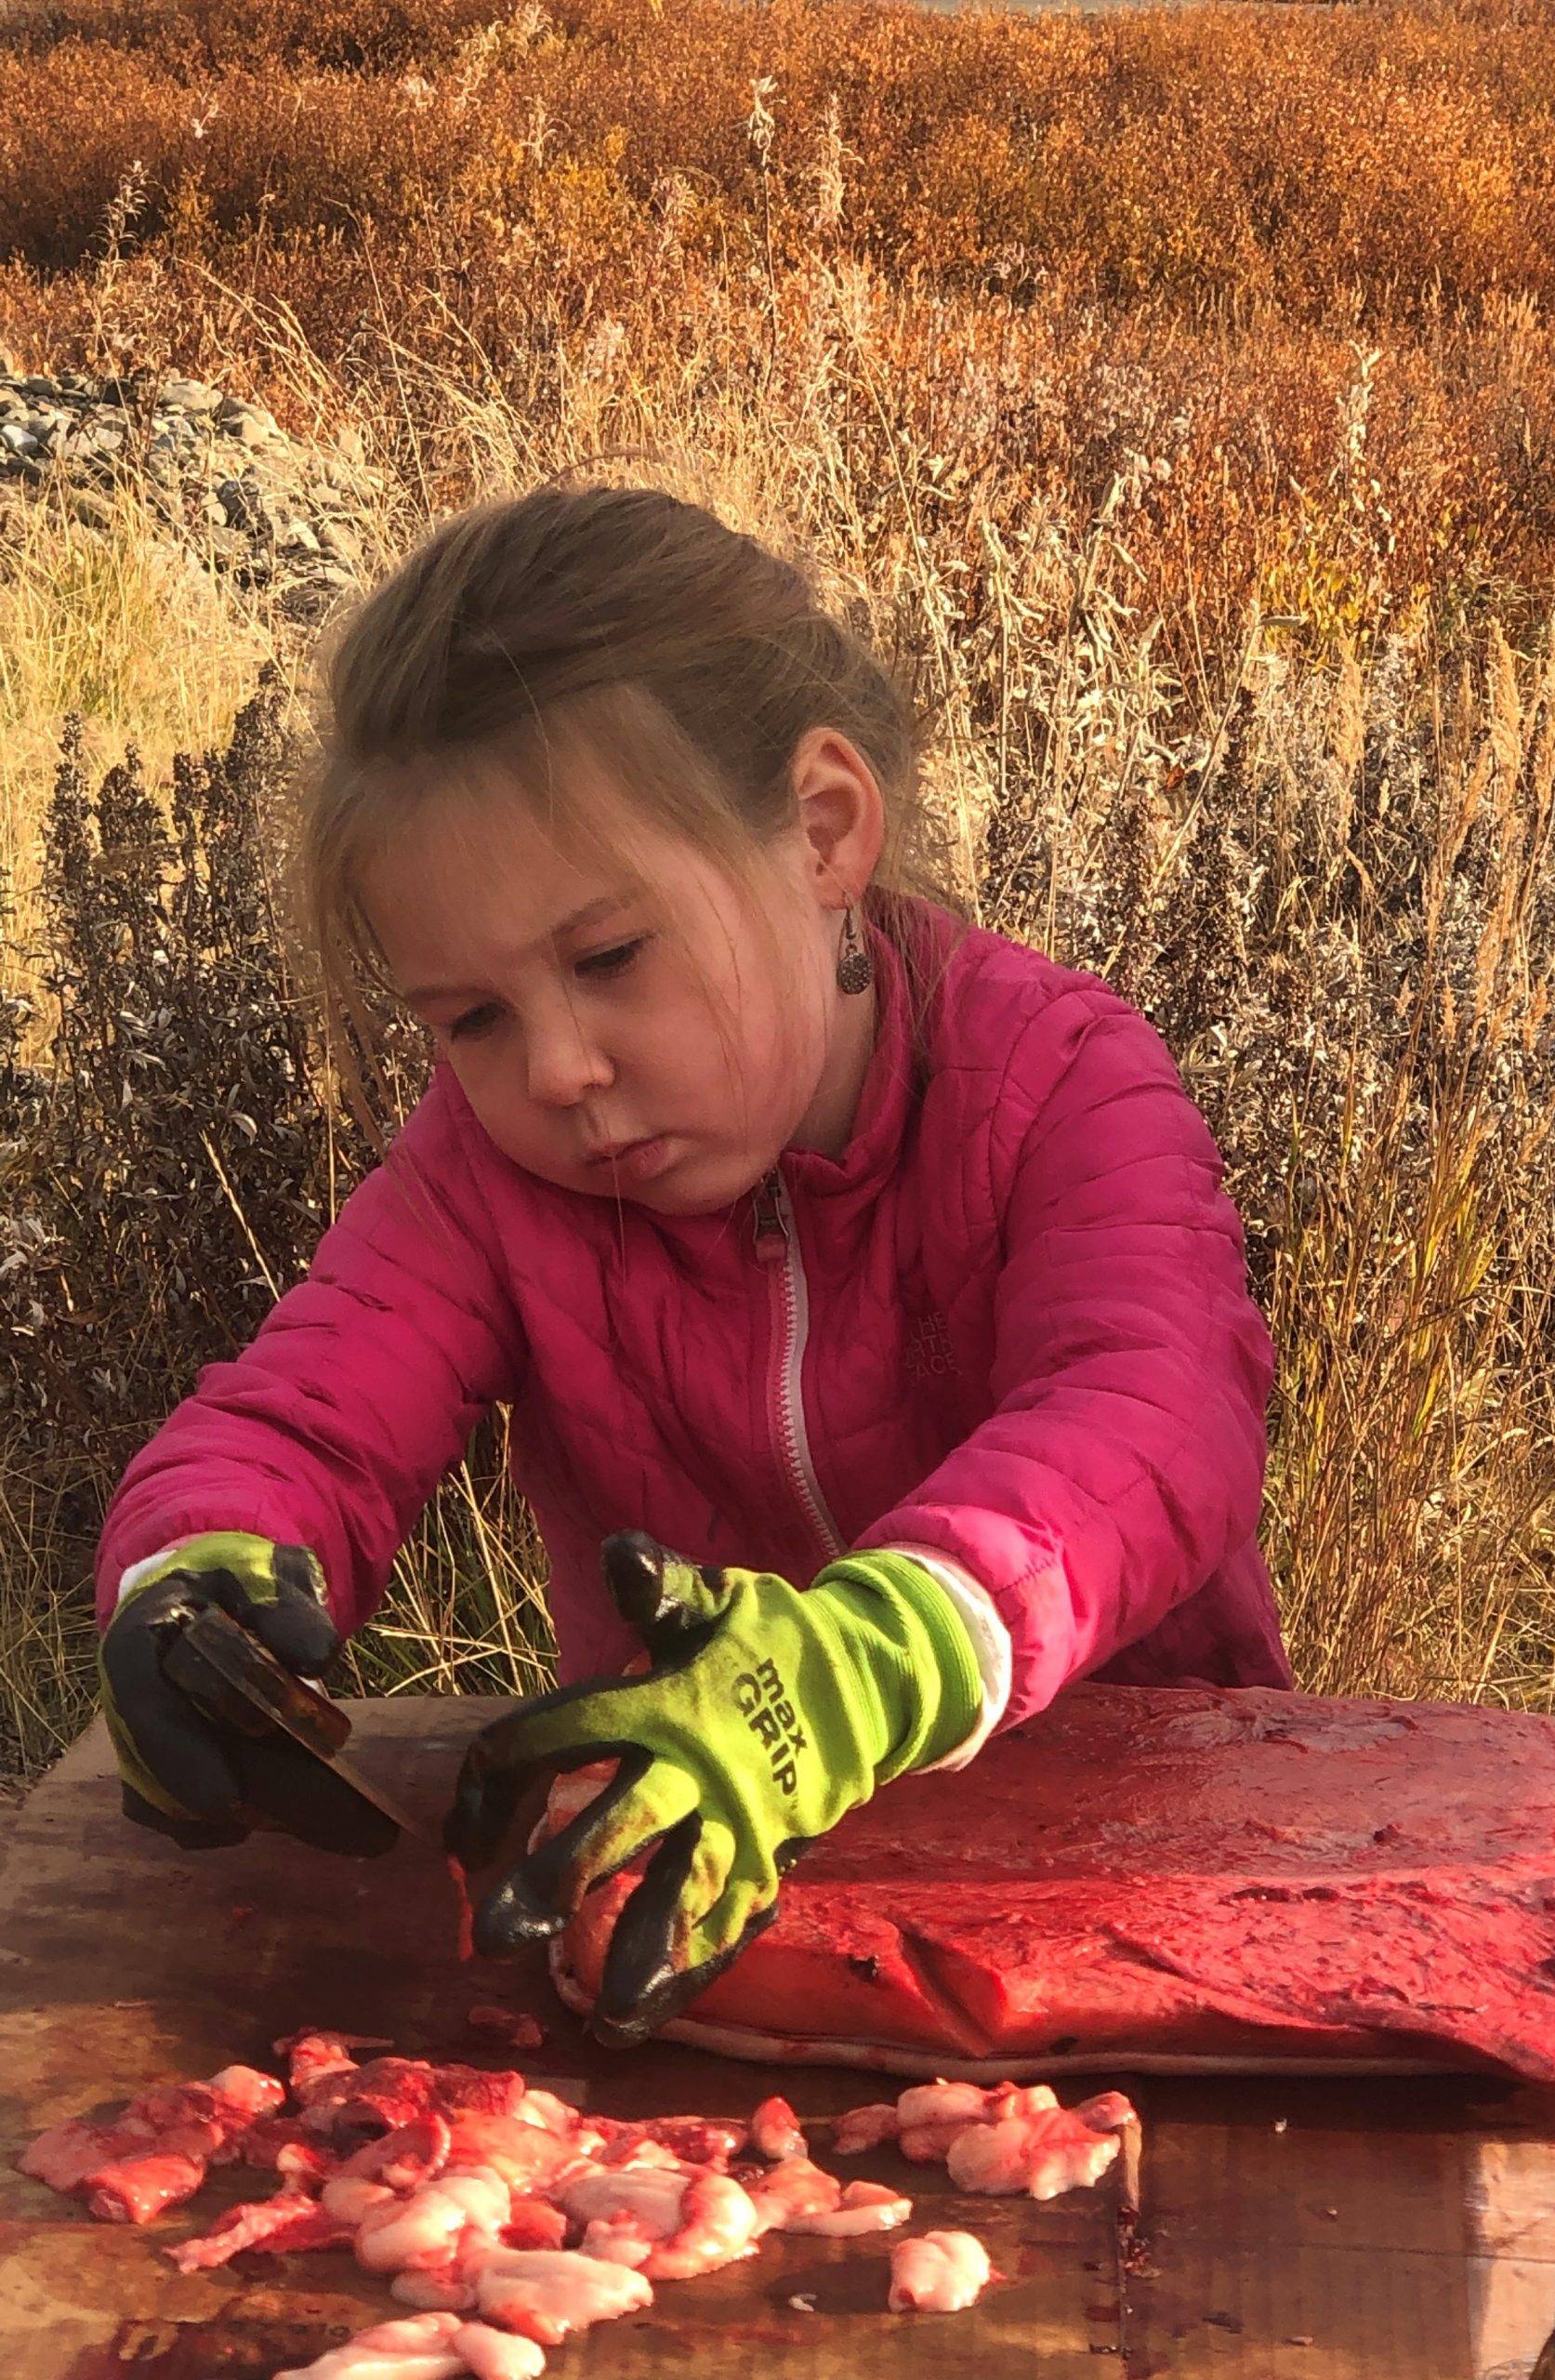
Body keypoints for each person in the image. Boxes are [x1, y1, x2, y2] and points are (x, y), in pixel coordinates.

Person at [91, 478, 1288, 2039]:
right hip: (682, 1911)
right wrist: (197, 1587)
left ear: (821, 835)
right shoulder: (485, 1178)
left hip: (1138, 1894)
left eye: (607, 960)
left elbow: (1153, 1417)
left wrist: (871, 1657)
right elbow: (302, 1413)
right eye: (472, 1017)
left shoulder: (1057, 1081)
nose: (559, 1070)